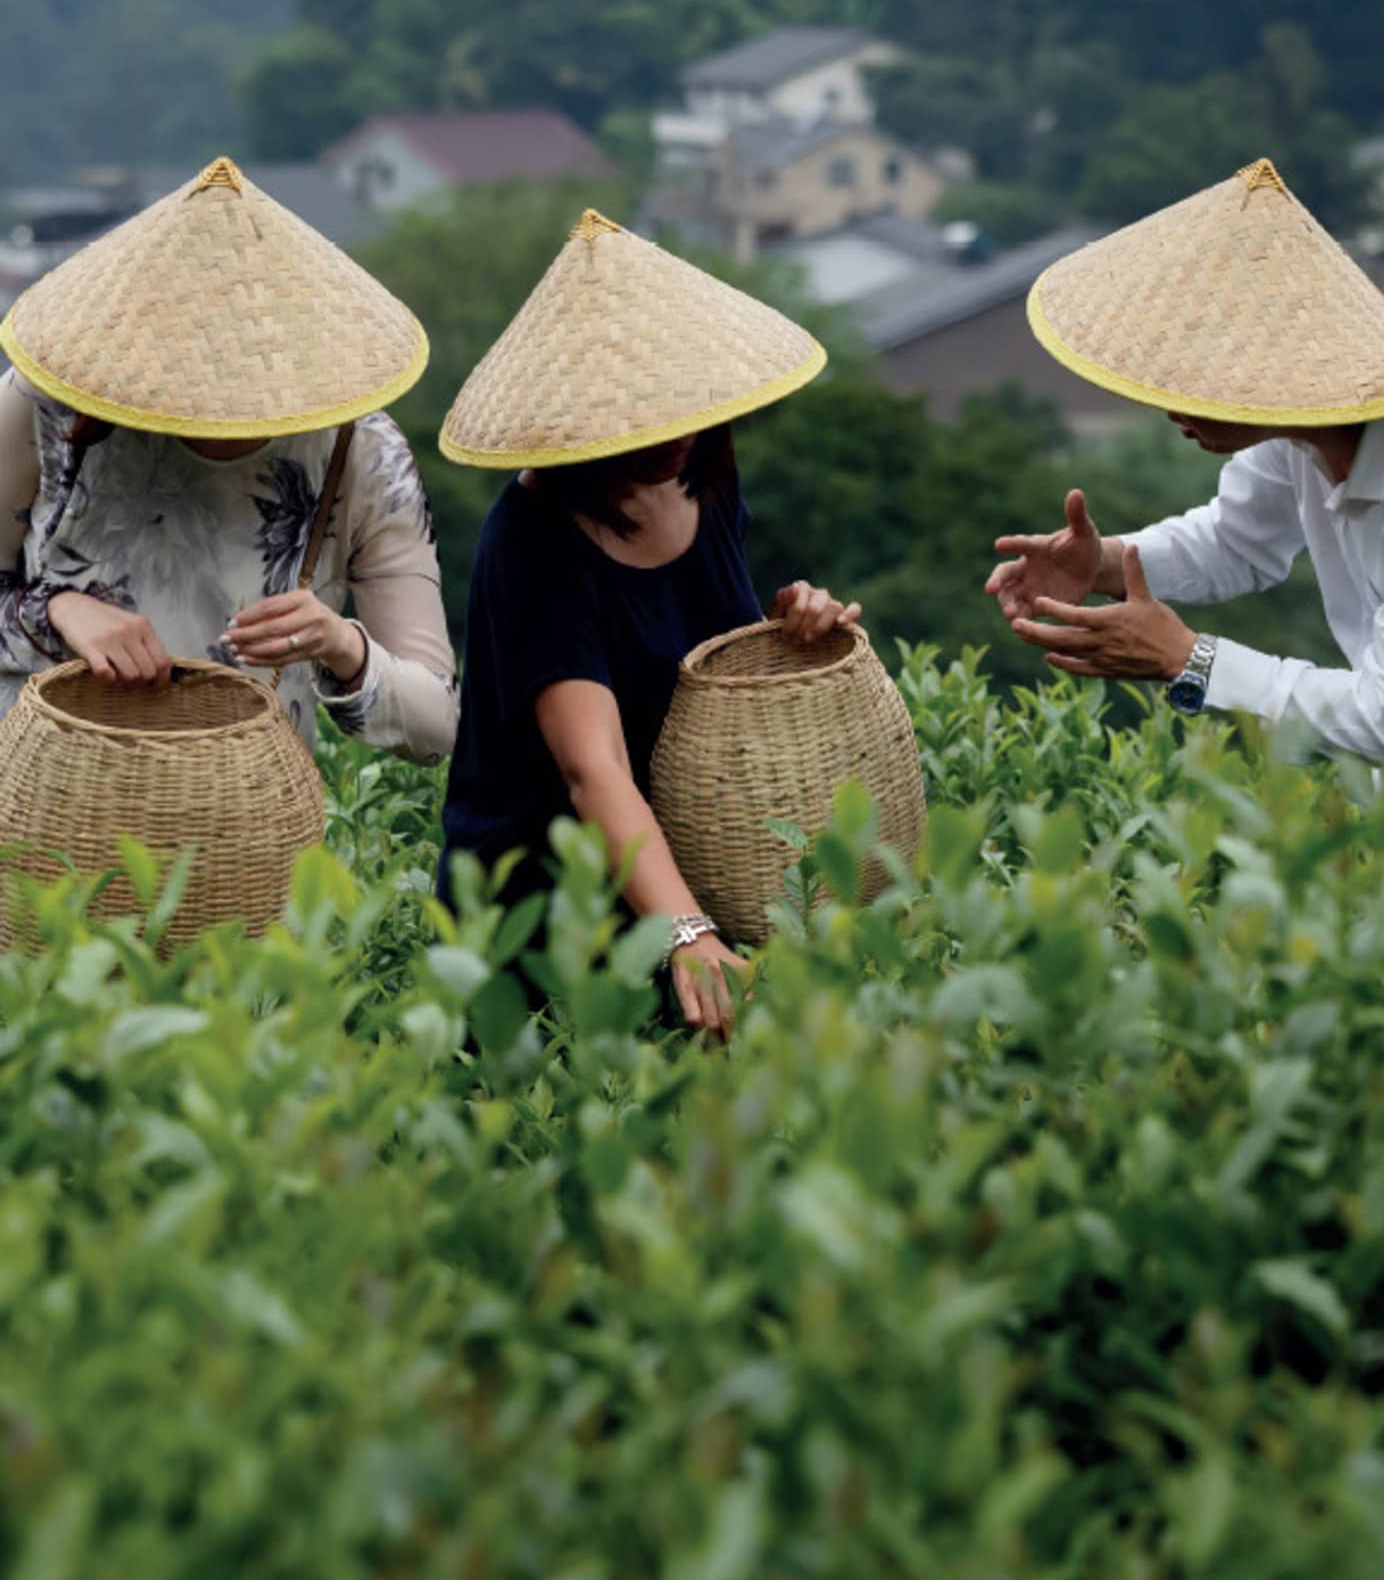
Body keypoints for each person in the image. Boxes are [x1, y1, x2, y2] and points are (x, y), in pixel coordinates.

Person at [438, 210, 859, 1038]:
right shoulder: (534, 540)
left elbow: (707, 674)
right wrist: (684, 930)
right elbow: (592, 767)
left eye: (683, 407)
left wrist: (793, 627)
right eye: (643, 419)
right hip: (545, 919)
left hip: (684, 877)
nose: (674, 437)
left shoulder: (706, 479)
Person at [988, 157, 1384, 797]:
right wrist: (1104, 564)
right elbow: (1239, 541)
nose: (1172, 406)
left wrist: (1190, 659)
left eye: (1196, 383)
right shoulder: (1317, 389)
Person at [0, 157, 457, 764]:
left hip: (242, 825)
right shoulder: (47, 402)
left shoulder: (364, 454)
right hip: (43, 803)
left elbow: (437, 727)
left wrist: (342, 645)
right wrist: (55, 609)